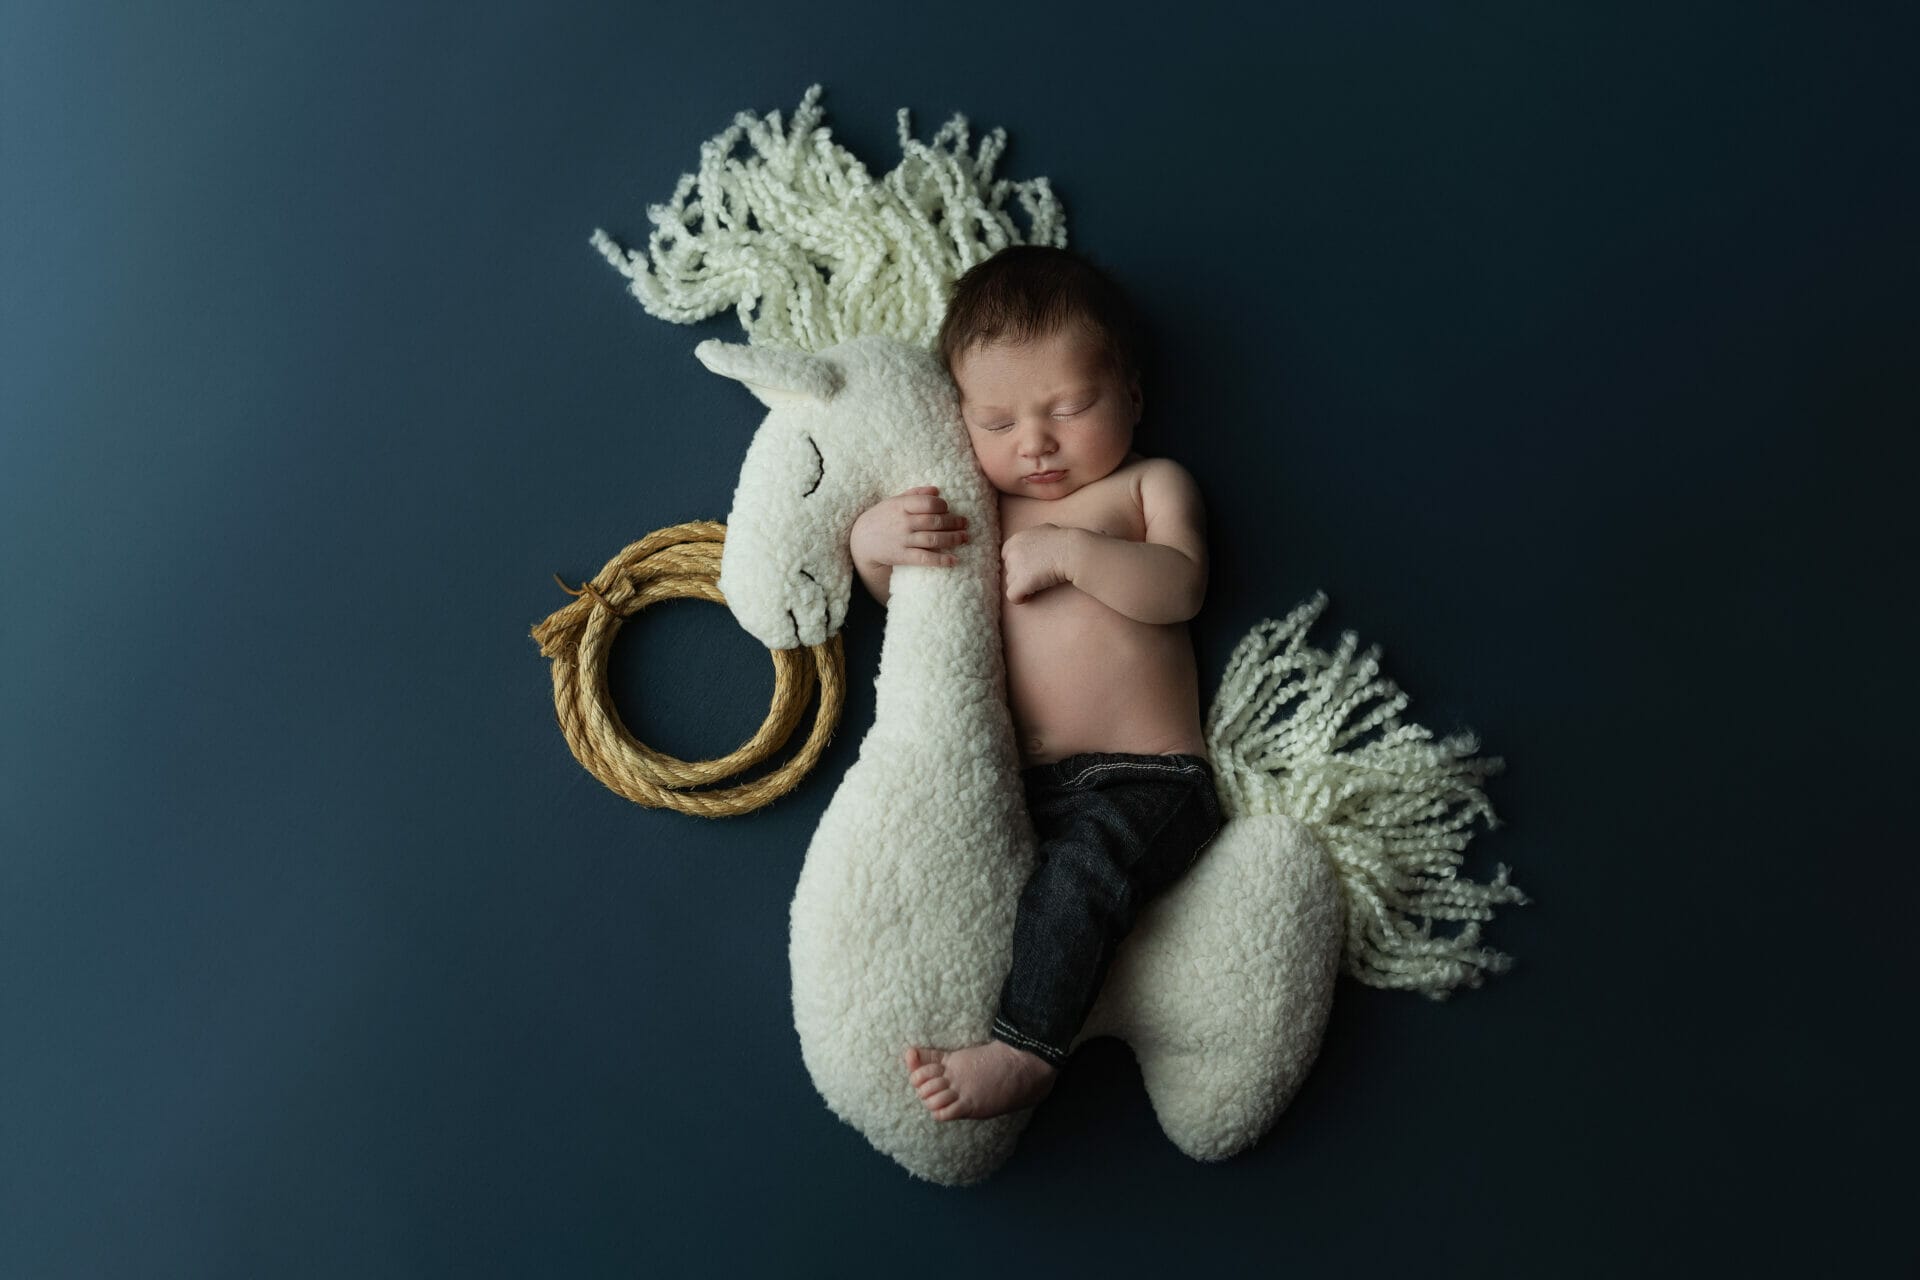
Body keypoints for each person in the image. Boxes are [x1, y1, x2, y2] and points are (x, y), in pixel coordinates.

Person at [848, 245, 1222, 1122]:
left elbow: (1182, 585)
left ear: (1130, 393)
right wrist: (874, 542)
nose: (1036, 443)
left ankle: (1026, 1048)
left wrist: (1075, 554)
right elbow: (908, 607)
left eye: (1070, 407)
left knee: (1083, 879)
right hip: (1018, 789)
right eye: (998, 422)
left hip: (1149, 777)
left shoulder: (1145, 486)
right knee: (975, 893)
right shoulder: (984, 508)